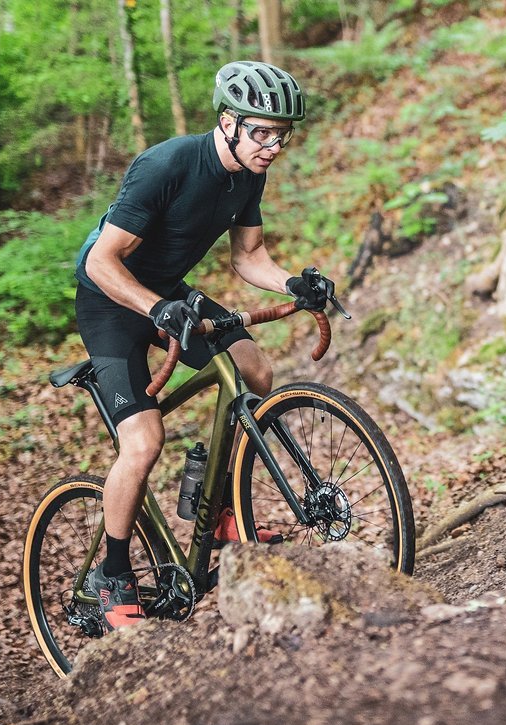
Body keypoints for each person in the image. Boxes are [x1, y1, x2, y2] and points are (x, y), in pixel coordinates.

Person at [72, 61, 330, 632]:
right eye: (263, 132)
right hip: (110, 302)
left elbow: (247, 258)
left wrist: (294, 283)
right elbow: (100, 261)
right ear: (229, 122)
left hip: (169, 295)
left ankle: (218, 507)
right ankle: (112, 573)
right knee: (142, 441)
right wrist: (157, 309)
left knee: (255, 372)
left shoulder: (249, 173)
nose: (273, 146)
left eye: (282, 135)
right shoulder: (166, 164)